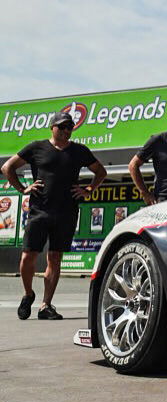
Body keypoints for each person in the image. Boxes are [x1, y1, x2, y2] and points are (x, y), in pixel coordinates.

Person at [2, 111, 106, 320]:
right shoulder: (36, 147)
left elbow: (100, 172)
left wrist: (88, 190)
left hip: (67, 212)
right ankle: (28, 293)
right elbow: (7, 167)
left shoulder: (79, 151)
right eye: (63, 127)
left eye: (70, 127)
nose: (67, 131)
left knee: (55, 257)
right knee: (27, 256)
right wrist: (23, 189)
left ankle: (46, 305)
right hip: (39, 211)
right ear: (53, 127)